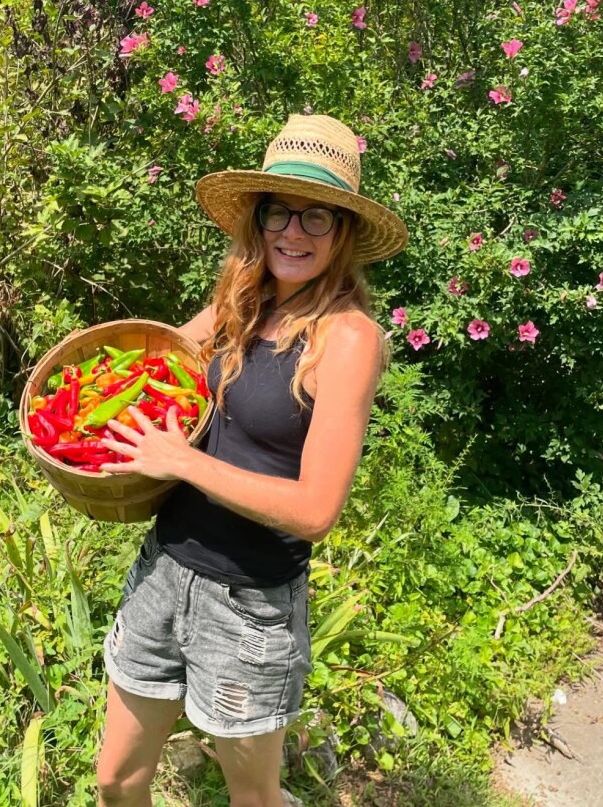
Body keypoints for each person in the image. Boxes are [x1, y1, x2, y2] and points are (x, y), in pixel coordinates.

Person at [96, 113, 409, 807]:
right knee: (116, 780)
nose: (293, 232)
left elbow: (316, 508)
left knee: (254, 798)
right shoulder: (243, 297)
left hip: (248, 604)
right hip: (164, 567)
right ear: (258, 218)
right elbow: (160, 360)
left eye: (317, 216)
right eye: (278, 211)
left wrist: (183, 461)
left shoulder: (347, 338)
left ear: (345, 230)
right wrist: (95, 390)